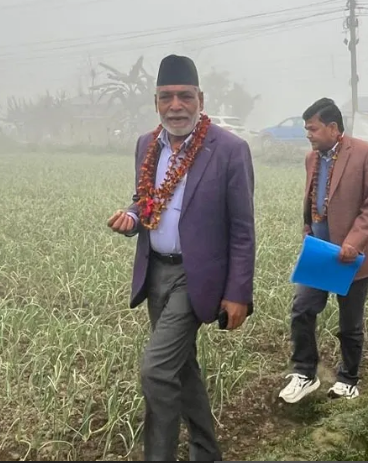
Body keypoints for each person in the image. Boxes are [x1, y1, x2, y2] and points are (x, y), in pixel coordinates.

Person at [106, 54, 256, 462]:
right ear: (156, 102)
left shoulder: (229, 149)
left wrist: (239, 292)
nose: (176, 106)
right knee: (182, 369)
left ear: (200, 99)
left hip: (197, 277)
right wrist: (133, 215)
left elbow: (242, 227)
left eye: (184, 96)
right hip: (156, 271)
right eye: (166, 97)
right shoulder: (146, 145)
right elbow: (147, 200)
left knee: (156, 371)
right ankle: (207, 452)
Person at [278, 97, 368, 403]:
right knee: (302, 309)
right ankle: (304, 373)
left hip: (352, 254)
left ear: (332, 127)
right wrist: (307, 228)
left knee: (349, 322)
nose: (308, 135)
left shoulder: (366, 153)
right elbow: (312, 198)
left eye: (312, 129)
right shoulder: (311, 158)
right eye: (306, 129)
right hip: (320, 252)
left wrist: (354, 241)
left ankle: (348, 378)